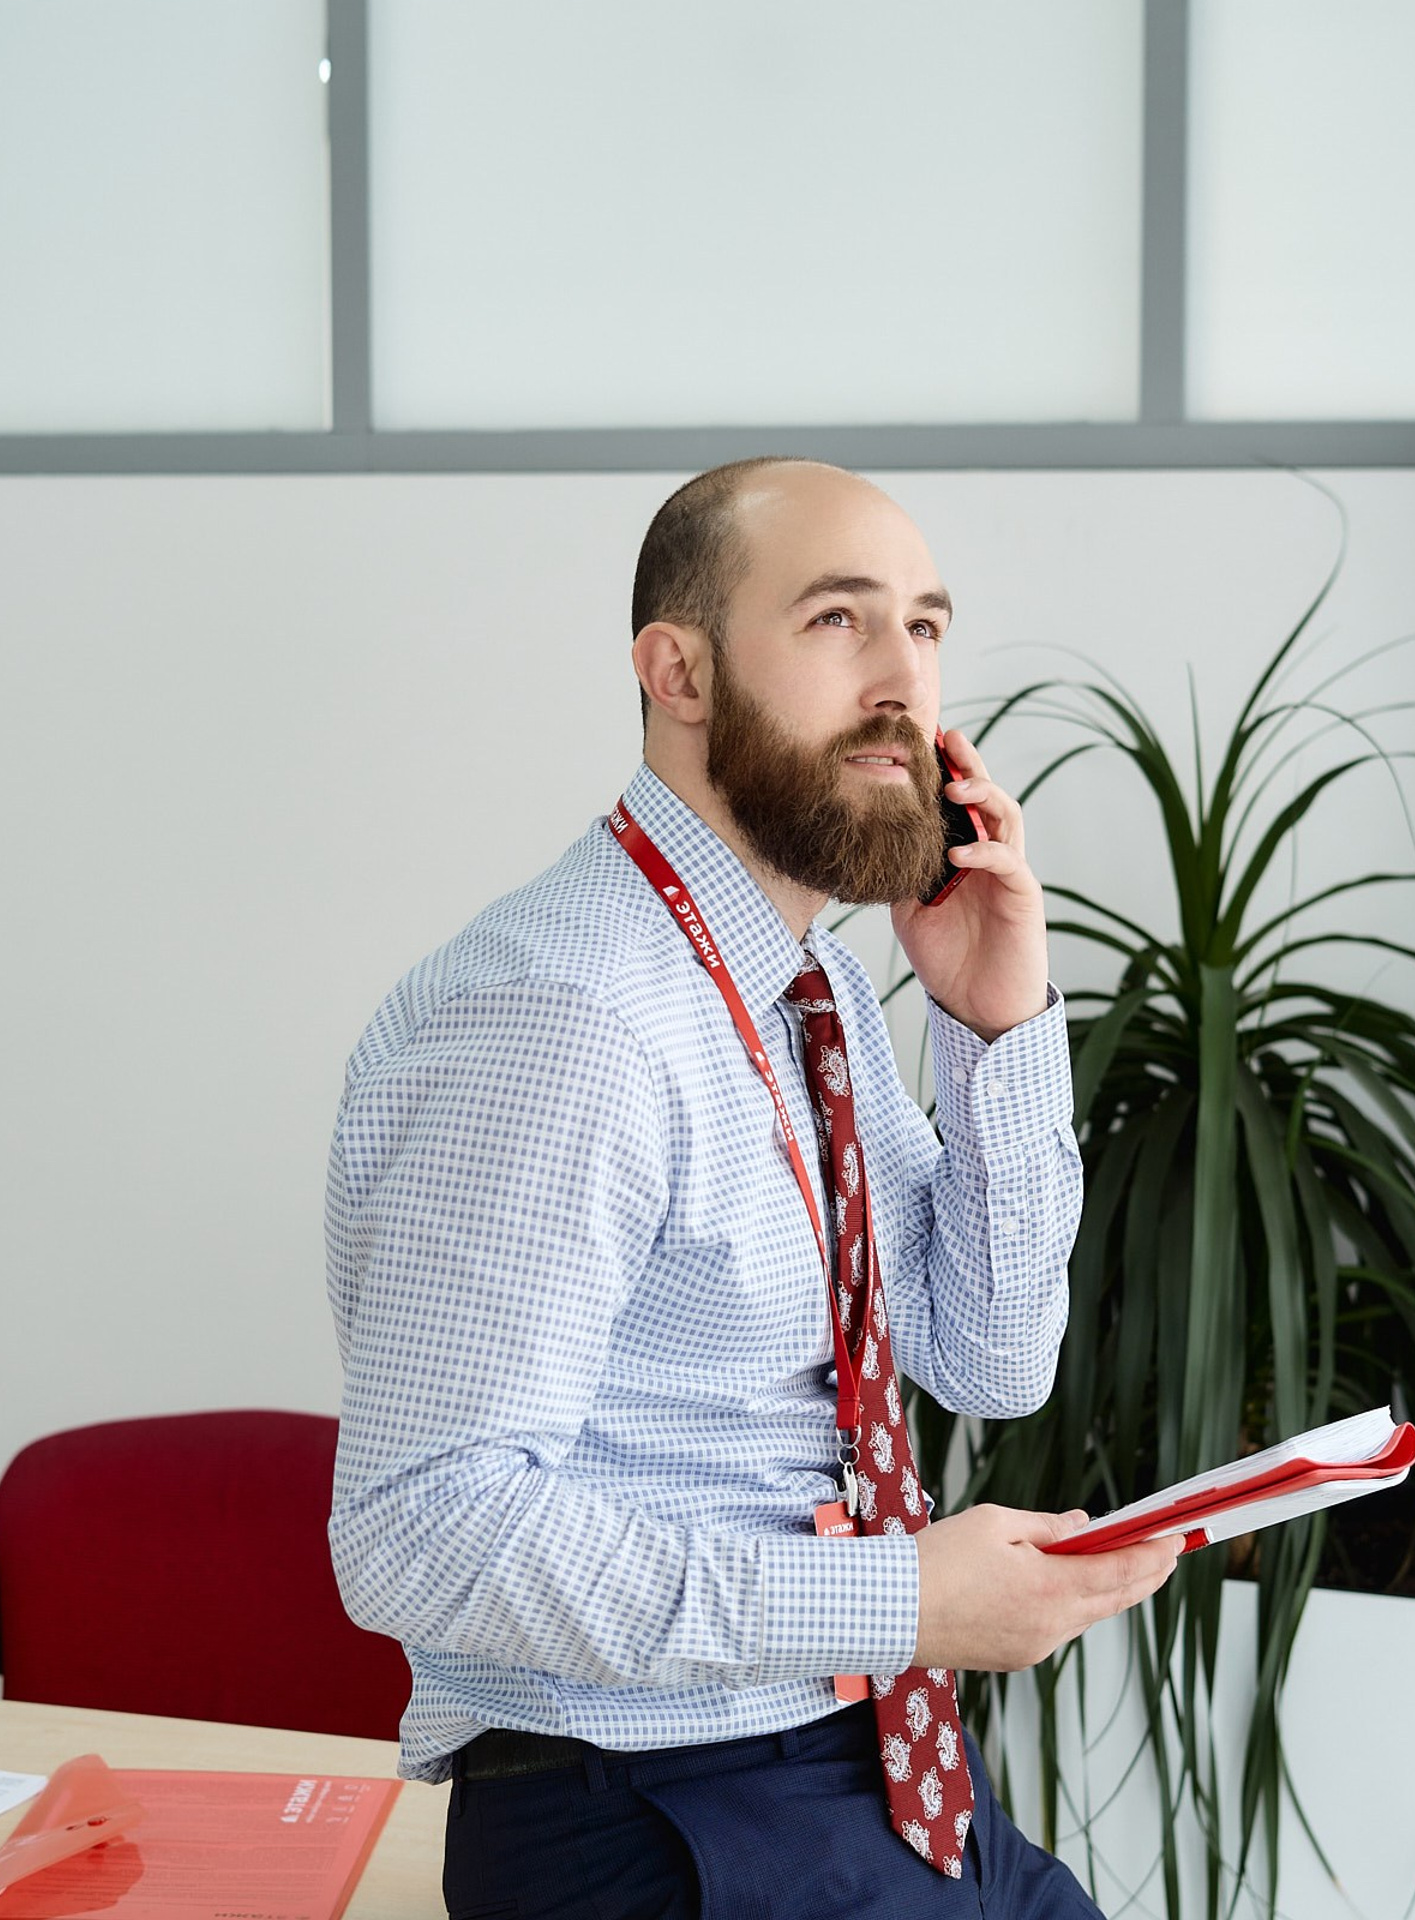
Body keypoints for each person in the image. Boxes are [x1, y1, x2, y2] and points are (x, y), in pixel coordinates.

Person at [325, 458, 1181, 1918]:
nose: (904, 680)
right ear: (680, 671)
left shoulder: (816, 989)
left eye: (924, 626)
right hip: (645, 1811)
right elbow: (421, 1529)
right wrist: (906, 1600)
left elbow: (992, 1357)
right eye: (840, 622)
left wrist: (995, 1027)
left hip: (860, 1763)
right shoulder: (571, 1016)